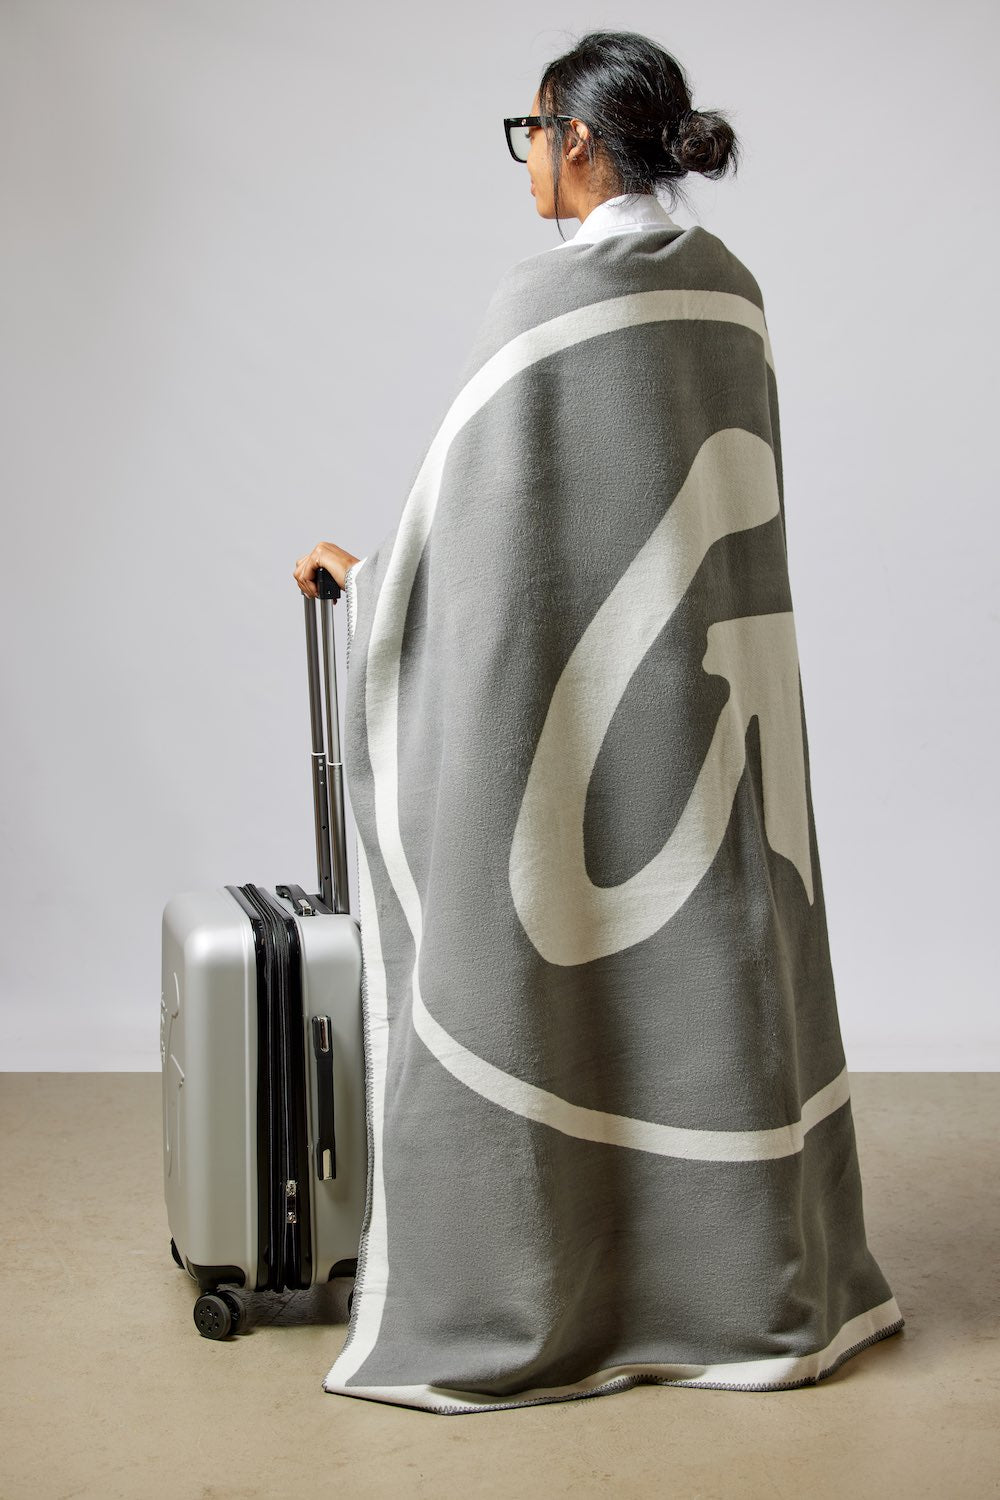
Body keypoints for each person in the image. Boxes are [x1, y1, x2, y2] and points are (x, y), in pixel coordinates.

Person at [297, 30, 905, 1416]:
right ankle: (751, 1289)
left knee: (557, 980)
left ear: (576, 138)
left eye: (531, 134)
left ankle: (558, 1291)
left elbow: (486, 549)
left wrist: (368, 586)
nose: (526, 162)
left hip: (580, 724)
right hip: (715, 715)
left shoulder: (543, 303)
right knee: (711, 985)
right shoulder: (731, 291)